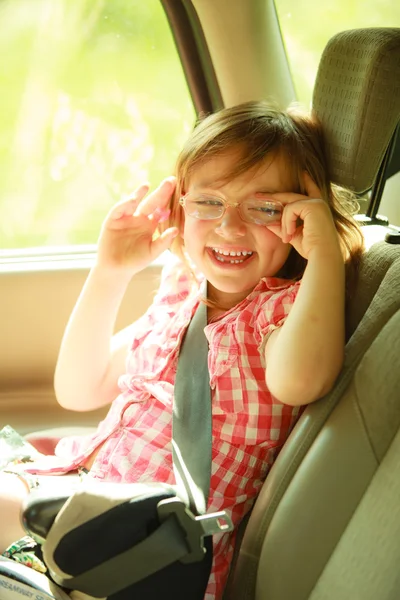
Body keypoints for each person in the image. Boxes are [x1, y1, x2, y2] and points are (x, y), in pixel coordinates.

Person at [0, 101, 364, 599]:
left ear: (301, 217)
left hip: (147, 547)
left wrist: (325, 253)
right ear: (179, 207)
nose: (230, 226)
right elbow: (79, 388)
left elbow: (301, 381)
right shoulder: (184, 295)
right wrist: (110, 271)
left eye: (265, 208)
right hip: (86, 500)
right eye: (208, 202)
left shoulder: (280, 316)